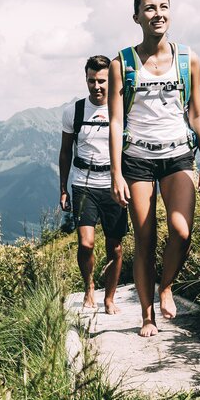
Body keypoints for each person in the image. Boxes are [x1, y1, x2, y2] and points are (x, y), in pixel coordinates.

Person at [108, 0, 200, 337]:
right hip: (137, 159)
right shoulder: (121, 63)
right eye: (149, 8)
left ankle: (166, 286)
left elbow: (196, 113)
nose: (158, 14)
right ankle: (146, 314)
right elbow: (116, 121)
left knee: (182, 232)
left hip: (179, 155)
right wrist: (116, 173)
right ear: (137, 16)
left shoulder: (188, 59)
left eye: (164, 7)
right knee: (145, 237)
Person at [59, 55, 128, 314]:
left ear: (111, 80)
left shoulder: (121, 109)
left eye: (102, 81)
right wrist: (63, 188)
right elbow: (65, 152)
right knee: (86, 243)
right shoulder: (73, 111)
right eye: (91, 81)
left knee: (115, 246)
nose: (97, 86)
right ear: (85, 80)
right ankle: (89, 288)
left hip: (113, 184)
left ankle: (109, 298)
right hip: (83, 183)